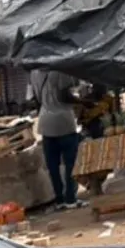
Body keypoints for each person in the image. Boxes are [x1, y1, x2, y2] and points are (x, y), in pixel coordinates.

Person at [34, 69, 85, 209]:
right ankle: (70, 198)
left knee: (53, 166)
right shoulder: (59, 70)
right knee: (70, 163)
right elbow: (64, 96)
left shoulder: (35, 73)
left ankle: (59, 199)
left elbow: (37, 99)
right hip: (64, 121)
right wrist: (83, 102)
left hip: (45, 122)